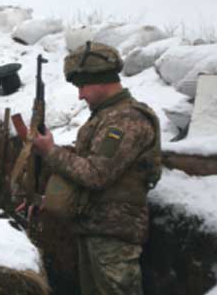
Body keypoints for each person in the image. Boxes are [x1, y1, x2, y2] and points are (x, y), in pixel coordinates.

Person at [32, 41, 162, 295]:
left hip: (113, 237)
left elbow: (95, 174)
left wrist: (50, 151)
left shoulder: (126, 120)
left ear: (101, 80)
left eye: (82, 86)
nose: (80, 95)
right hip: (94, 228)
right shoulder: (105, 116)